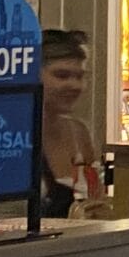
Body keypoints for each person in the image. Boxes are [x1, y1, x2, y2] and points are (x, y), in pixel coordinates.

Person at [40, 27, 104, 218]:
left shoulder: (79, 133)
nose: (75, 85)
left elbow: (95, 205)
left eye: (80, 76)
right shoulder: (7, 137)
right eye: (61, 76)